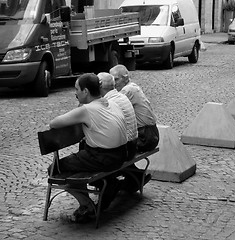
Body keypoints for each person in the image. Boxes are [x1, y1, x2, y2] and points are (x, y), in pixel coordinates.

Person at [48, 73, 128, 223]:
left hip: (103, 157)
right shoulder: (111, 103)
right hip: (122, 154)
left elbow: (54, 123)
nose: (75, 93)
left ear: (85, 91)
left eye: (77, 89)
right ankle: (108, 185)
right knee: (80, 157)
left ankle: (87, 205)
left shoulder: (87, 109)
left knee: (54, 169)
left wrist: (80, 109)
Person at [109, 64, 159, 192]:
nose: (114, 84)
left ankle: (118, 182)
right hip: (150, 133)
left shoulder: (127, 91)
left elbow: (109, 109)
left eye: (116, 79)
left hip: (145, 136)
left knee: (115, 153)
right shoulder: (133, 86)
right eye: (112, 80)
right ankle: (135, 176)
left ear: (126, 78)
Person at [97, 72, 138, 160]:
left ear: (99, 85)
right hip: (133, 145)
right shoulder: (121, 96)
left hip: (124, 149)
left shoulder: (108, 102)